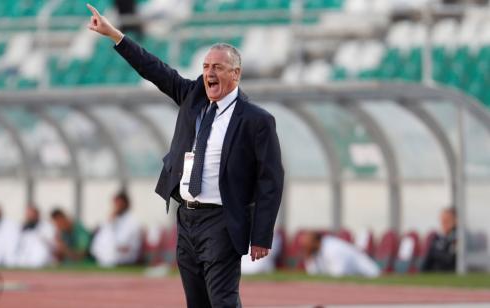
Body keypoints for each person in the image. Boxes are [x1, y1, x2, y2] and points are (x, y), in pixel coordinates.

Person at [87, 4, 285, 307]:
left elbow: (270, 180)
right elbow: (154, 69)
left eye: (217, 67)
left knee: (223, 300)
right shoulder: (193, 97)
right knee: (197, 301)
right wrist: (115, 35)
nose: (209, 73)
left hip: (222, 220)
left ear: (236, 74)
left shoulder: (255, 120)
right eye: (206, 67)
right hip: (187, 218)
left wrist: (262, 234)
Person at [91, 189, 142, 267]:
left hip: (125, 258)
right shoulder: (111, 220)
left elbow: (129, 245)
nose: (117, 206)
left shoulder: (133, 222)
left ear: (126, 204)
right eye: (116, 203)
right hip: (107, 257)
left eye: (120, 203)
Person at [302, 231, 380, 278]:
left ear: (315, 242)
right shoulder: (316, 252)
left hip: (369, 276)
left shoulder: (332, 249)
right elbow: (313, 275)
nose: (304, 247)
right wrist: (308, 257)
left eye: (307, 244)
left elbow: (339, 275)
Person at [421, 207, 457, 272]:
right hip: (434, 274)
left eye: (447, 220)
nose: (443, 223)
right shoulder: (437, 237)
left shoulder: (458, 237)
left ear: (455, 221)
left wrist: (435, 253)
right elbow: (428, 260)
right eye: (442, 220)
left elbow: (450, 259)